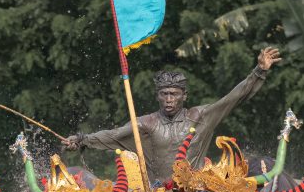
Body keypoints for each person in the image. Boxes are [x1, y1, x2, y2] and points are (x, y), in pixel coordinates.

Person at [62, 47, 282, 182]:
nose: (169, 99)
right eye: (164, 94)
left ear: (184, 96)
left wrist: (259, 71)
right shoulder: (145, 124)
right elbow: (113, 135)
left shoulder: (201, 116)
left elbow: (234, 97)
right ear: (157, 96)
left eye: (174, 94)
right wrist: (82, 139)